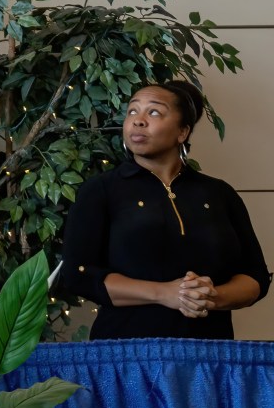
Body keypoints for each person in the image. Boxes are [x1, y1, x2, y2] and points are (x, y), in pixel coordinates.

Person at [60, 80, 267, 339]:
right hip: (126, 354)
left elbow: (255, 276)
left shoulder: (219, 193)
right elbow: (79, 274)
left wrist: (211, 297)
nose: (138, 120)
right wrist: (166, 293)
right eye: (132, 112)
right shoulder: (101, 189)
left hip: (210, 352)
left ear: (182, 132)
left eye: (154, 112)